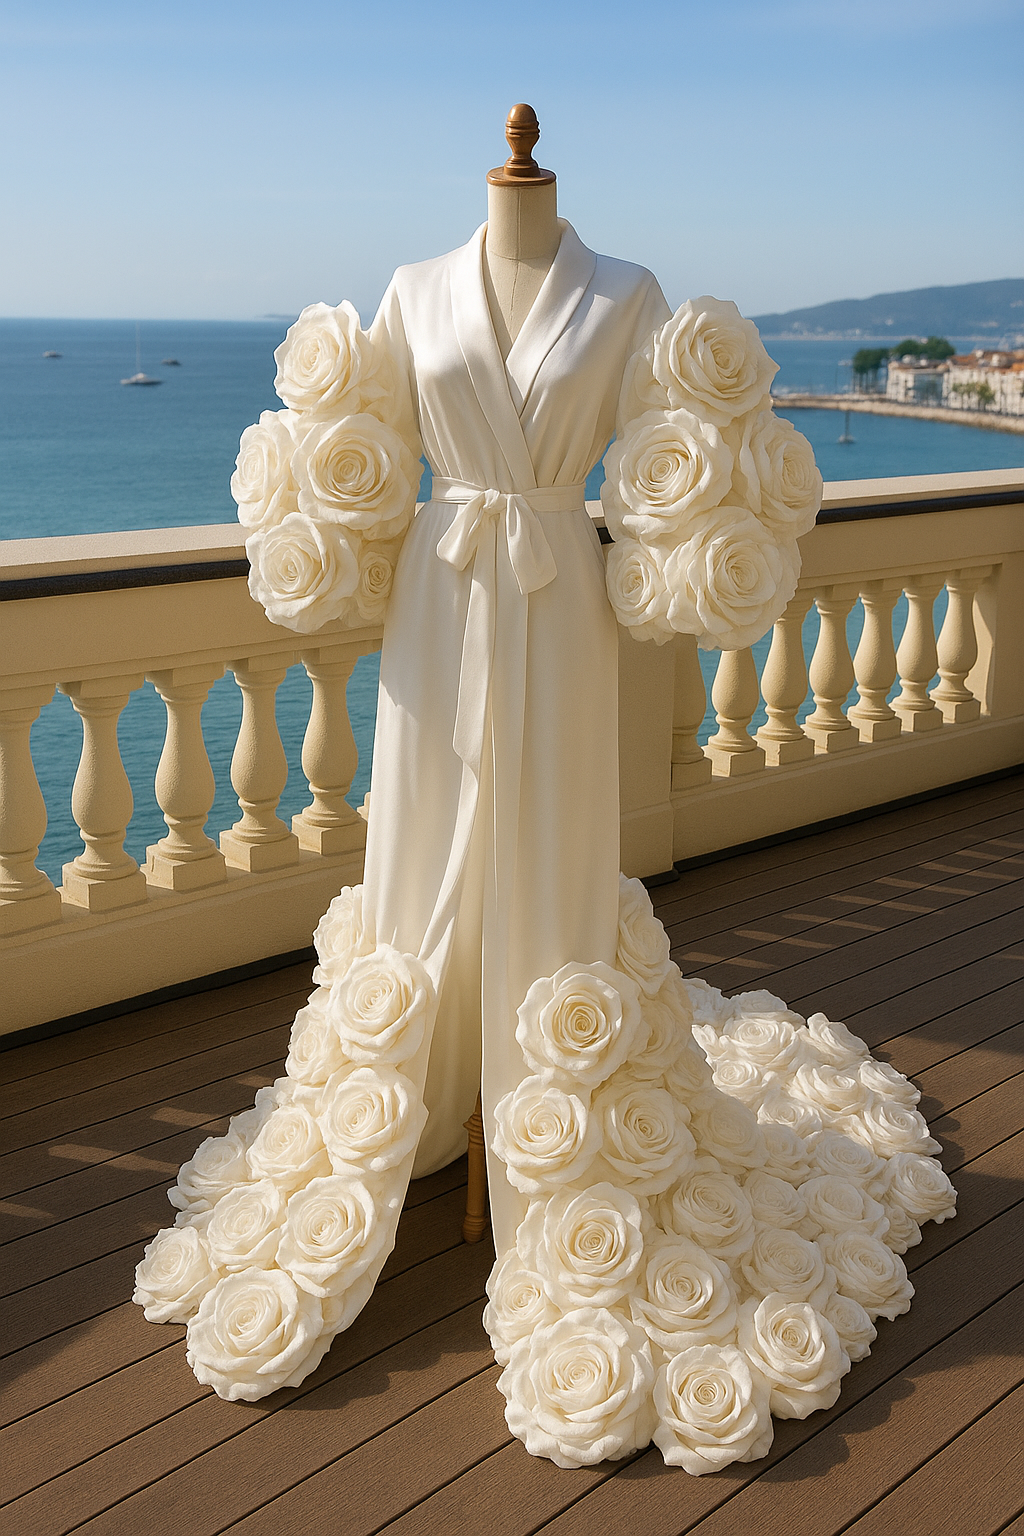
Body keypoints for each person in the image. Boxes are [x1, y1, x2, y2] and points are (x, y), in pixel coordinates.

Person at [134, 106, 956, 1473]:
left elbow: (658, 473)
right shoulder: (409, 291)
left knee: (554, 848)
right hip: (439, 606)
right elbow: (357, 462)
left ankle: (554, 1116)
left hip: (561, 608)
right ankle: (431, 1087)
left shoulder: (627, 295)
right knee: (426, 850)